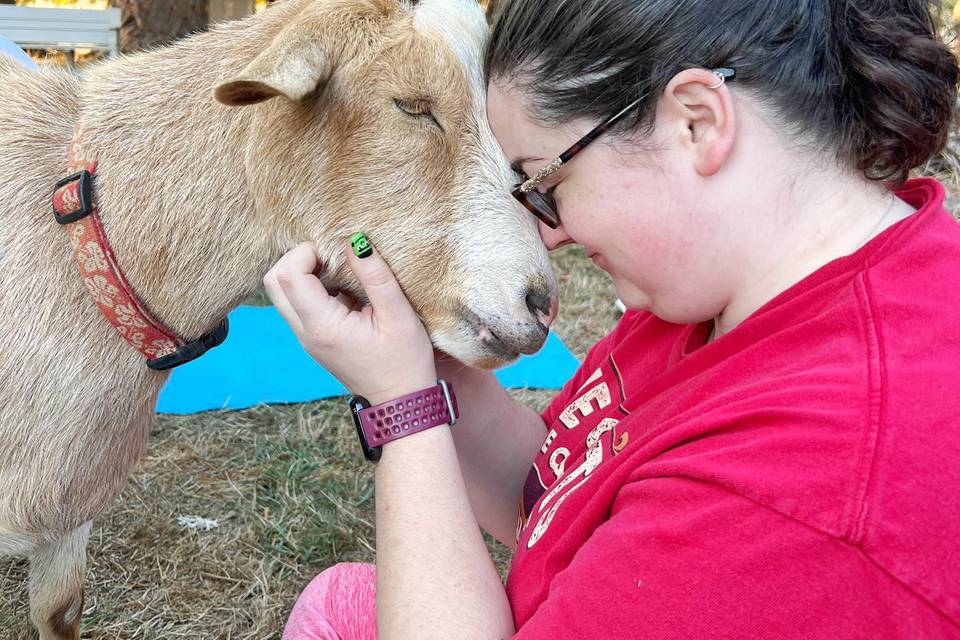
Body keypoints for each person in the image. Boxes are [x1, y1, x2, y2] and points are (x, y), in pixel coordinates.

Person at [265, 0, 960, 637]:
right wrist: (416, 355)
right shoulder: (718, 291)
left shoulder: (801, 495)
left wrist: (403, 410)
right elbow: (551, 496)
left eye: (547, 185)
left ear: (698, 121)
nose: (549, 233)